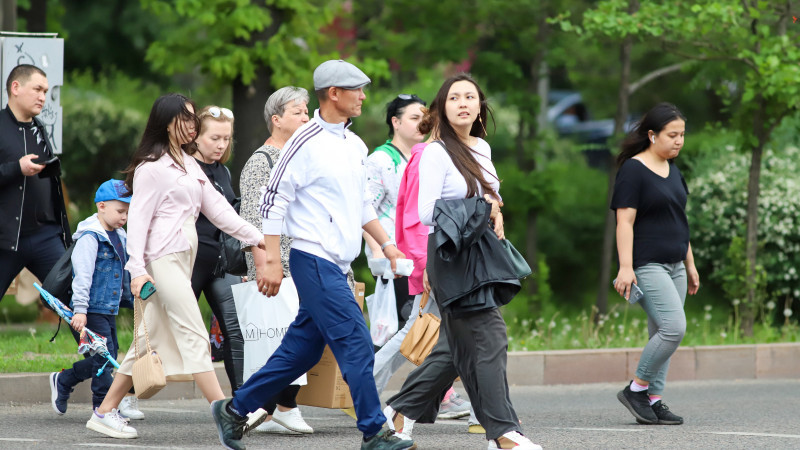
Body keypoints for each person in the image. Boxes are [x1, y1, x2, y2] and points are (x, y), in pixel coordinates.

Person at [210, 60, 414, 450]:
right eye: (357, 89)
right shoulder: (304, 141)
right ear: (333, 93)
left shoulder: (354, 145)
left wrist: (386, 244)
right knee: (355, 341)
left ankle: (235, 411)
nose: (364, 96)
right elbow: (272, 203)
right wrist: (269, 261)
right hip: (312, 259)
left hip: (337, 264)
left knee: (300, 352)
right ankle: (375, 431)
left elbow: (361, 206)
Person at [85, 93, 266, 440]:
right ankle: (228, 412)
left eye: (192, 118)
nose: (191, 125)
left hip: (182, 258)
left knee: (146, 338)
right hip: (162, 259)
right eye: (184, 118)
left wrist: (255, 236)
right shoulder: (152, 167)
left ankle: (104, 411)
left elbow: (219, 209)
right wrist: (137, 269)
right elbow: (137, 223)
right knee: (193, 331)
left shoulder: (187, 162)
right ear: (167, 122)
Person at [414, 73, 540, 450]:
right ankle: (503, 433)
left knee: (457, 350)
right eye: (455, 98)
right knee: (491, 339)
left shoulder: (481, 148)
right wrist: (481, 206)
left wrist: (495, 205)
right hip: (454, 258)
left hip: (480, 254)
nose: (464, 103)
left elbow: (492, 192)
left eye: (470, 97)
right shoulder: (435, 152)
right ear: (442, 108)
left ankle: (398, 415)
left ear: (480, 106)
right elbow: (425, 213)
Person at [612, 102, 699, 426]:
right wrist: (625, 267)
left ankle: (653, 399)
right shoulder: (634, 170)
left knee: (660, 332)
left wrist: (689, 264)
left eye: (682, 135)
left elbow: (679, 220)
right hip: (648, 265)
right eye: (672, 135)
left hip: (676, 264)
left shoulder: (673, 169)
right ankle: (636, 389)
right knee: (674, 328)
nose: (679, 141)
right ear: (652, 135)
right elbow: (625, 221)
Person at [238, 86, 314, 435]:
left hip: (302, 258)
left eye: (306, 110)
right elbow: (251, 220)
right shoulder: (261, 161)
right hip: (275, 262)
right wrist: (266, 264)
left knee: (296, 334)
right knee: (284, 336)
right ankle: (277, 406)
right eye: (298, 111)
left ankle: (276, 407)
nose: (306, 116)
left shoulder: (300, 156)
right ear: (276, 119)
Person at [49, 180, 135, 416]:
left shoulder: (119, 235)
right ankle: (101, 407)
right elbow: (83, 276)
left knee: (109, 355)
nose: (123, 216)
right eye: (120, 211)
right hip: (92, 307)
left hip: (108, 308)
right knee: (105, 357)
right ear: (102, 206)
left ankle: (64, 379)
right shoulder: (90, 237)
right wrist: (80, 310)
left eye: (127, 212)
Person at [187, 105, 249, 395]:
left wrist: (246, 262)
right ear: (196, 136)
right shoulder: (183, 167)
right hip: (188, 261)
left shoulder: (222, 170)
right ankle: (126, 395)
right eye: (215, 138)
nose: (221, 145)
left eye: (226, 138)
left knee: (237, 331)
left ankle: (243, 404)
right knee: (167, 331)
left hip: (221, 264)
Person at [0, 64, 71, 299]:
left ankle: (97, 339)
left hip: (45, 236)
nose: (43, 97)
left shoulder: (39, 129)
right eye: (38, 89)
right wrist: (16, 168)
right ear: (16, 87)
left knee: (76, 300)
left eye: (46, 92)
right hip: (6, 239)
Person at [365, 94, 426, 331]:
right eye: (414, 117)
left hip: (420, 254)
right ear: (396, 122)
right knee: (399, 325)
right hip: (394, 258)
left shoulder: (425, 157)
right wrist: (376, 249)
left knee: (417, 326)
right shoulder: (380, 160)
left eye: (425, 118)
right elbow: (365, 209)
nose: (422, 122)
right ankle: (375, 368)